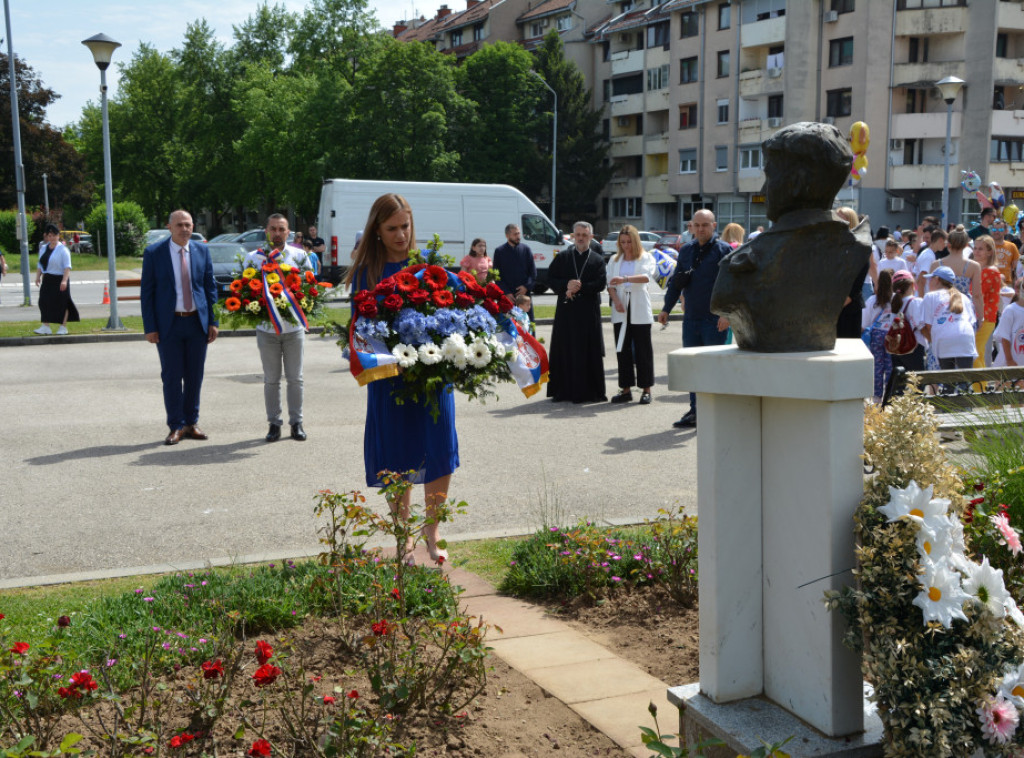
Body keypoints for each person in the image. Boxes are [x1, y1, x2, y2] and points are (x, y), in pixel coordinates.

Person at [345, 193, 458, 566]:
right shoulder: (366, 274)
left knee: (437, 448)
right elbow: (359, 330)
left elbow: (459, 310)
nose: (400, 234)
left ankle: (433, 529)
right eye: (391, 228)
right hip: (390, 378)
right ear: (376, 230)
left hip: (432, 376)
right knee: (396, 454)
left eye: (405, 226)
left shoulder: (430, 268)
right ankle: (403, 536)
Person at [140, 210, 219, 445]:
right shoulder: (155, 253)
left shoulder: (202, 250)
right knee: (172, 376)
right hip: (169, 325)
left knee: (195, 376)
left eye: (188, 225)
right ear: (169, 227)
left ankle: (191, 423)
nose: (185, 229)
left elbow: (209, 287)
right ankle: (175, 425)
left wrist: (213, 321)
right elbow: (147, 293)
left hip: (197, 323)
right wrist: (150, 327)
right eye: (180, 225)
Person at [657, 209, 730, 428]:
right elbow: (677, 283)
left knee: (713, 369)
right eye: (696, 225)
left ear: (714, 226)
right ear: (691, 226)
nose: (700, 229)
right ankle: (695, 411)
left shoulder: (723, 250)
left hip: (714, 320)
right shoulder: (686, 250)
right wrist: (666, 309)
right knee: (692, 368)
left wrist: (727, 314)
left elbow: (733, 286)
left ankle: (716, 414)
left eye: (704, 225)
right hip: (691, 320)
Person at [243, 214, 314, 443]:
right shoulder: (254, 259)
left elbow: (311, 289)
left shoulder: (300, 256)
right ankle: (274, 424)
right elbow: (245, 293)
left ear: (288, 232)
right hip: (266, 330)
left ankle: (297, 423)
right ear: (266, 231)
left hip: (293, 329)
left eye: (281, 229)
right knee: (271, 379)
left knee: (295, 378)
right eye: (273, 229)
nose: (277, 233)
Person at [547, 221, 608, 404]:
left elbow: (601, 283)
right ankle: (562, 391)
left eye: (585, 235)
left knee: (587, 351)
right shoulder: (563, 257)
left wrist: (579, 288)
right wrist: (566, 285)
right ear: (573, 237)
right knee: (565, 349)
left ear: (591, 237)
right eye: (578, 235)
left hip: (588, 312)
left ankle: (589, 392)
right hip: (567, 312)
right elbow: (550, 278)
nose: (581, 238)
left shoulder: (597, 259)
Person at [607, 225, 656, 405]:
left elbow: (646, 277)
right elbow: (610, 284)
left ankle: (646, 389)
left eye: (629, 242)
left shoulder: (645, 257)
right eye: (623, 242)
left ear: (635, 241)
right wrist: (616, 301)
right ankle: (625, 388)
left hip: (639, 307)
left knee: (643, 349)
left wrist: (626, 279)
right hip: (621, 308)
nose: (626, 245)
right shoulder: (614, 260)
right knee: (623, 349)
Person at [881, 270, 927, 404]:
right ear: (913, 285)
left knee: (899, 383)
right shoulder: (916, 302)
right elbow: (921, 326)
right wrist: (931, 340)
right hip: (914, 346)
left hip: (896, 348)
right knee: (918, 382)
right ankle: (916, 411)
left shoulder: (893, 303)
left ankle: (894, 411)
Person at [920, 265, 978, 370]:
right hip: (966, 338)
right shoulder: (964, 297)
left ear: (937, 280)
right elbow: (972, 322)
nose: (928, 282)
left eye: (930, 279)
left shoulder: (930, 296)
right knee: (965, 381)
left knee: (948, 381)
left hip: (943, 339)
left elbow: (928, 325)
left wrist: (934, 341)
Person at [34, 223, 80, 336]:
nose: (52, 238)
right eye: (49, 236)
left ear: (58, 236)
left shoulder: (63, 250)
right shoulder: (44, 248)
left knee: (62, 303)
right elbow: (40, 264)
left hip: (60, 278)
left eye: (54, 235)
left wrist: (64, 280)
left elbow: (67, 267)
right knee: (43, 302)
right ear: (46, 237)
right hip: (48, 278)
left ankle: (63, 327)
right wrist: (37, 277)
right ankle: (45, 326)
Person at [970, 234, 1004, 369]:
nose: (976, 251)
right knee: (979, 355)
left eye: (981, 249)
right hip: (978, 316)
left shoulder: (990, 271)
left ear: (990, 252)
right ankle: (981, 388)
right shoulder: (978, 269)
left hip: (985, 318)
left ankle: (979, 388)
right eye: (975, 248)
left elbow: (977, 294)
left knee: (975, 356)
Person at [862, 269, 895, 404]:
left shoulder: (872, 300)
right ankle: (890, 395)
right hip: (891, 336)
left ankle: (876, 398)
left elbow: (864, 322)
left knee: (877, 367)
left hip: (876, 335)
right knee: (890, 366)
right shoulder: (895, 299)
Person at [492, 223, 536, 323]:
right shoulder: (499, 251)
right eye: (515, 234)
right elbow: (497, 276)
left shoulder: (526, 249)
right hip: (507, 297)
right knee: (508, 325)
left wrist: (526, 287)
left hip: (524, 297)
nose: (518, 237)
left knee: (527, 326)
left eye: (519, 234)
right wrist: (506, 292)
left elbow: (533, 273)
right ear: (507, 235)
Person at [990, 219, 1020, 286]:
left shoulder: (1012, 246)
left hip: (1006, 282)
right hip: (990, 280)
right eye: (994, 230)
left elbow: (1014, 266)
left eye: (1000, 230)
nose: (997, 232)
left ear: (1006, 231)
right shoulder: (987, 245)